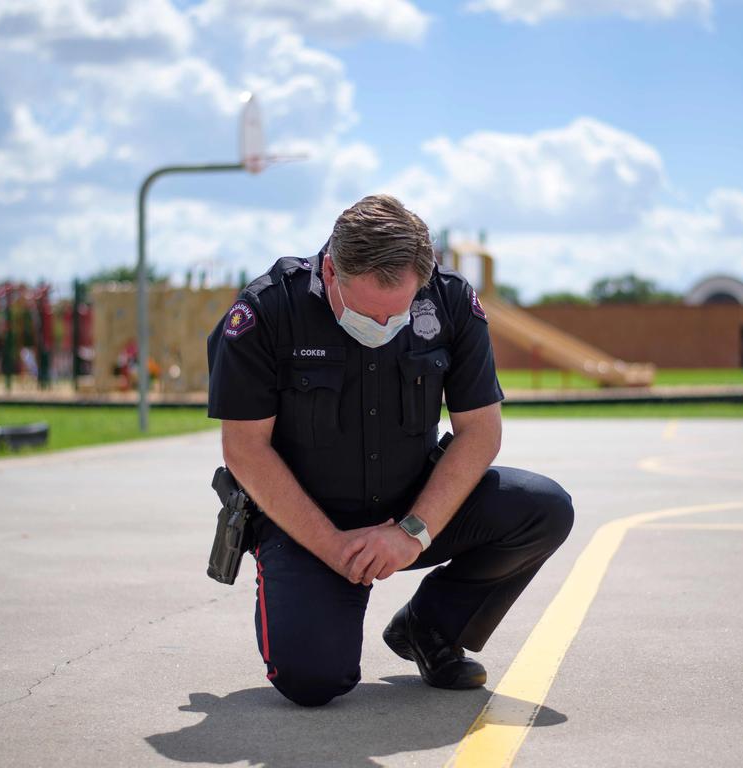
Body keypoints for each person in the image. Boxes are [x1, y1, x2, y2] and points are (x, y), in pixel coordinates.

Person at [207, 194, 573, 707]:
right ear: (331, 271)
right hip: (310, 523)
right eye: (366, 314)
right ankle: (322, 601)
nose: (381, 330)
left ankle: (430, 627)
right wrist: (335, 548)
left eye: (394, 315)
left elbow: (480, 431)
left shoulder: (447, 300)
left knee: (542, 508)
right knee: (312, 681)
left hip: (413, 508)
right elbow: (245, 450)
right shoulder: (268, 311)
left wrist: (412, 532)